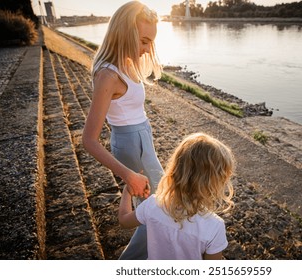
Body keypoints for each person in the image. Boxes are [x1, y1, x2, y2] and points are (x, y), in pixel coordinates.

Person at [82, 1, 163, 260]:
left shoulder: (126, 63)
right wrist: (128, 175)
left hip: (142, 140)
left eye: (150, 42)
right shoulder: (108, 75)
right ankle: (129, 263)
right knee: (158, 209)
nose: (148, 48)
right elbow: (89, 140)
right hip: (131, 146)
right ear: (124, 33)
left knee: (153, 207)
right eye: (144, 41)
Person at [118, 133, 235, 259]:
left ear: (175, 168)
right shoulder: (214, 226)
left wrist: (127, 191)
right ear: (214, 183)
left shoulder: (152, 204)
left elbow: (124, 221)